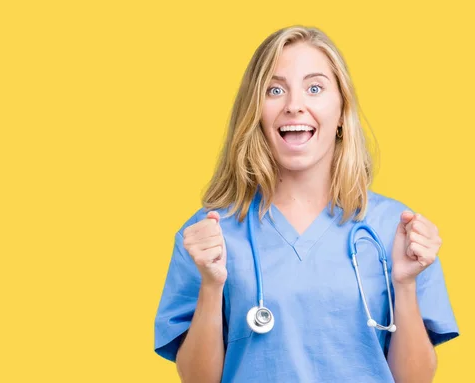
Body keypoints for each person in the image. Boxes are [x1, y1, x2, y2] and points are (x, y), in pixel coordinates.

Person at [153, 25, 459, 382]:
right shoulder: (209, 235)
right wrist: (210, 284)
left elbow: (415, 380)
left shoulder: (397, 230)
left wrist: (405, 284)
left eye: (315, 88)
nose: (294, 105)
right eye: (275, 90)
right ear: (255, 112)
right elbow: (197, 379)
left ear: (342, 111)